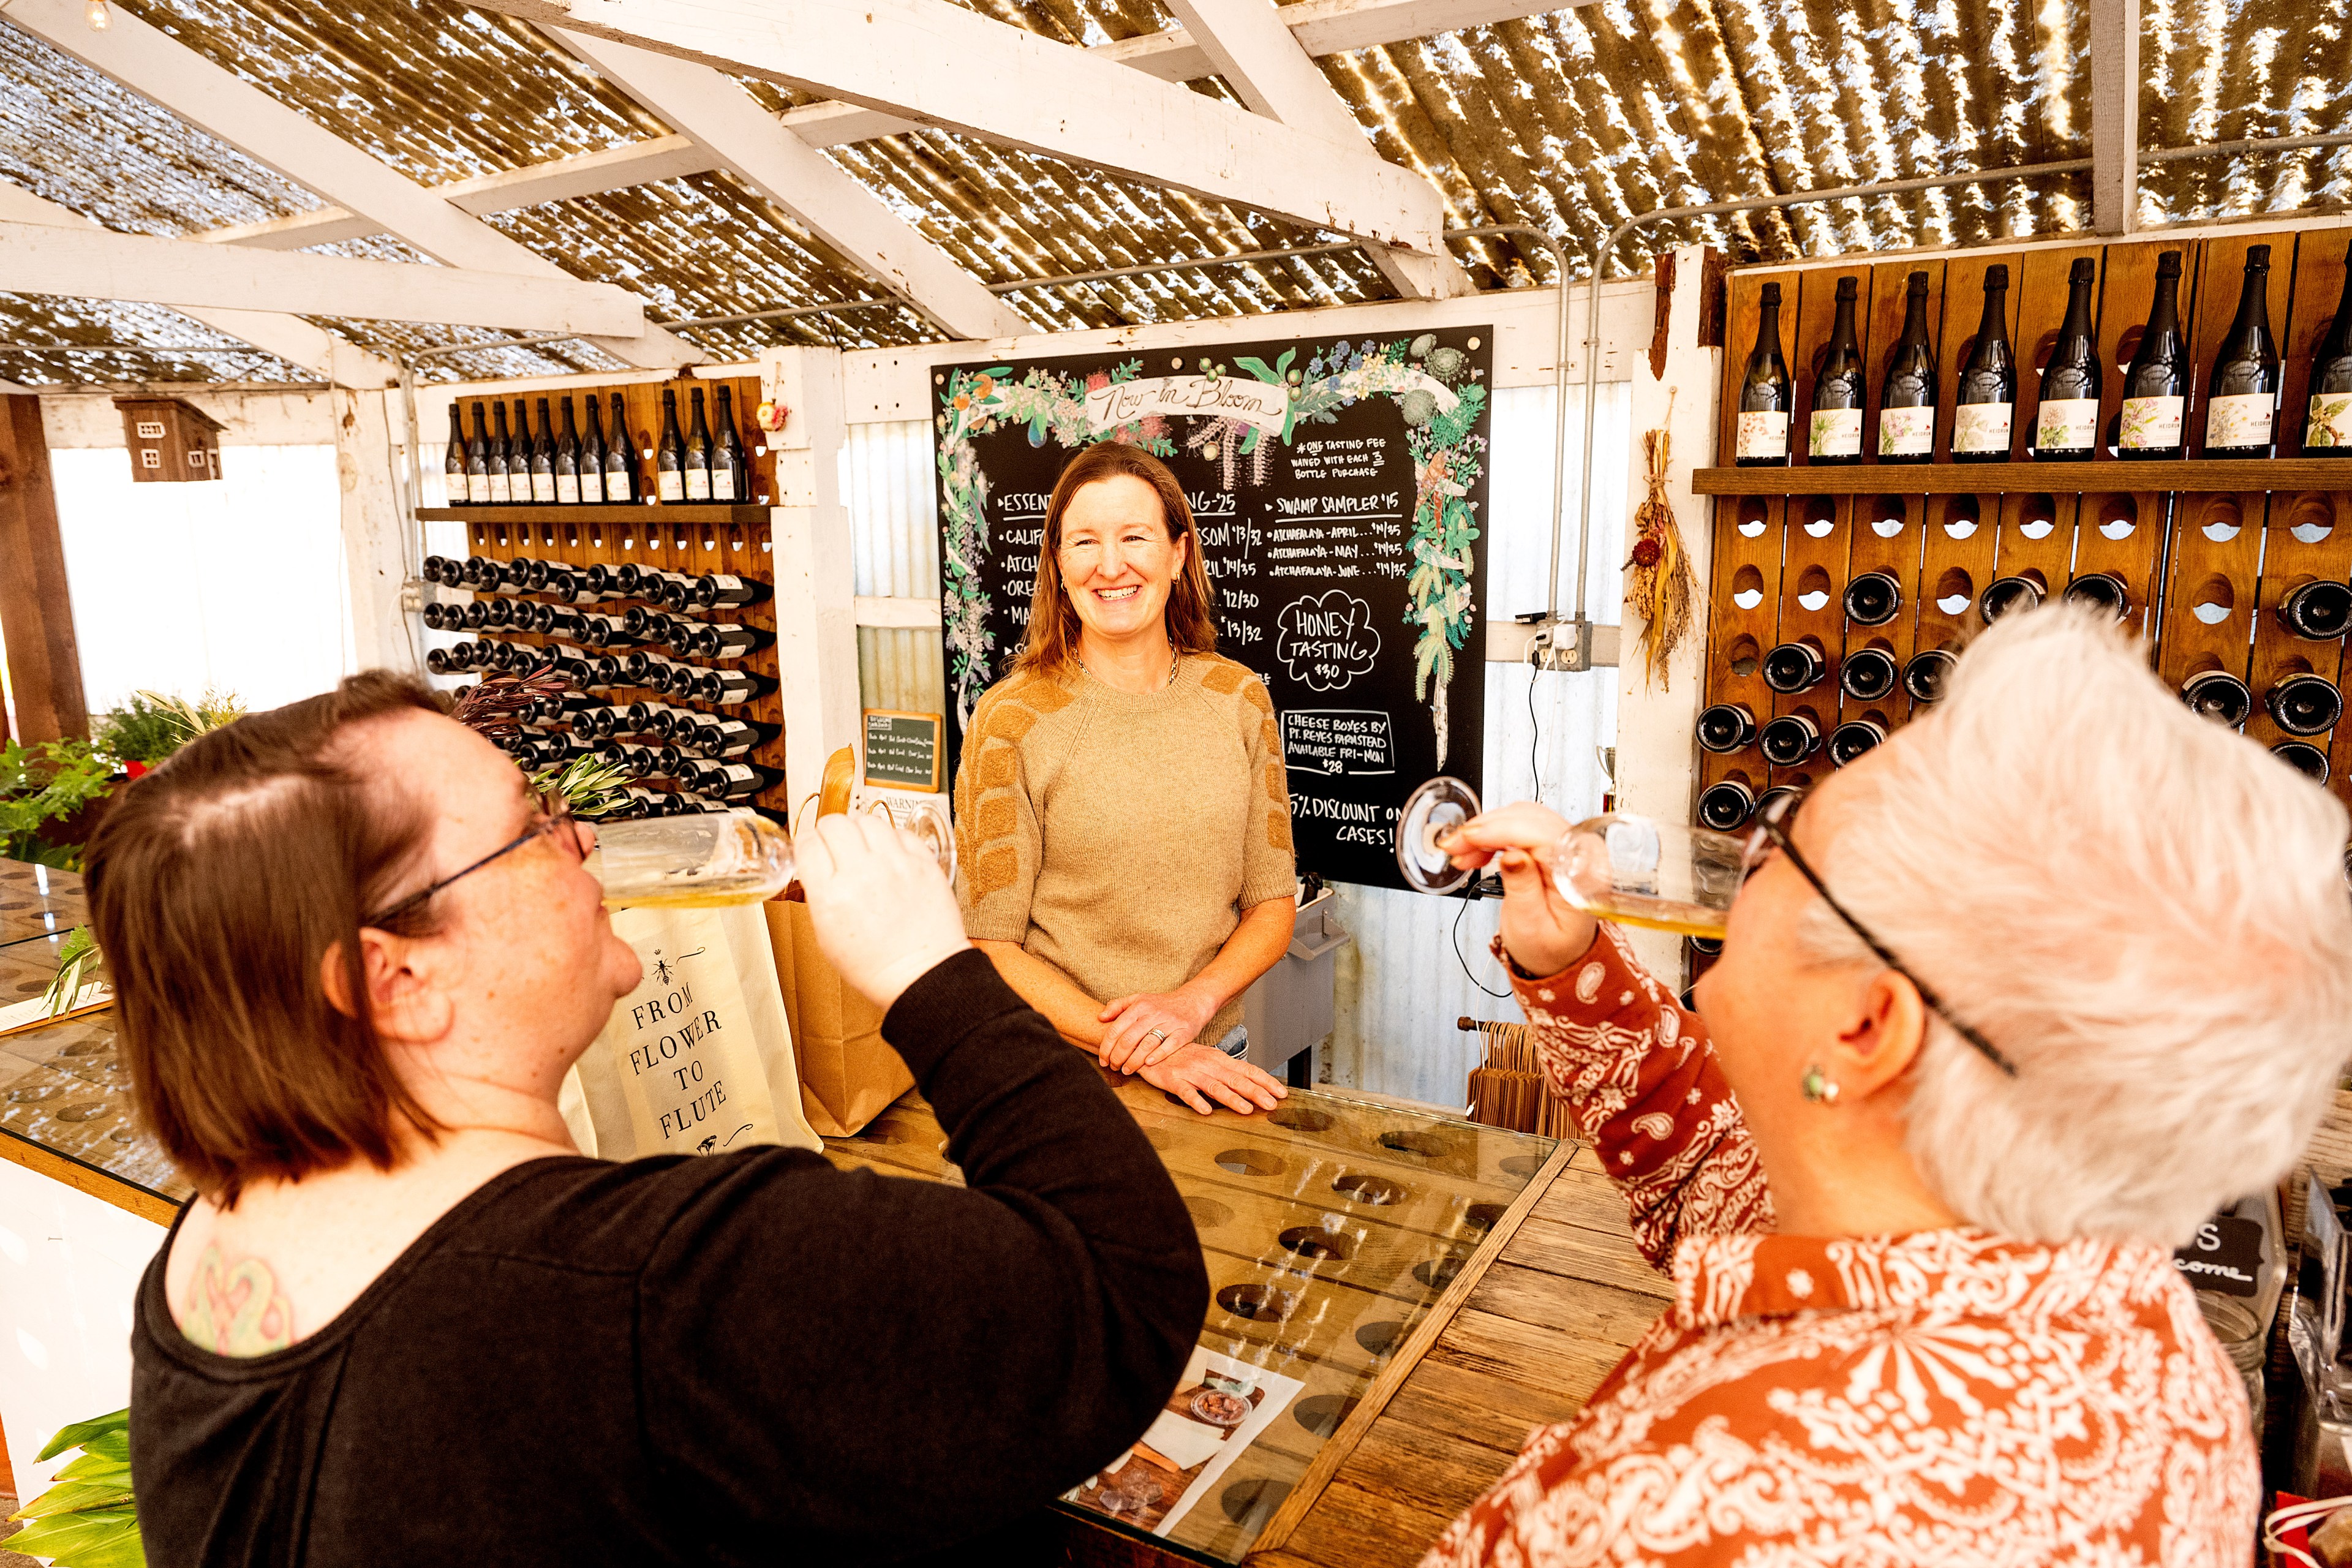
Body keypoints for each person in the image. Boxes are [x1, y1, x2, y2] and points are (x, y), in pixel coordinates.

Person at [89, 673, 1208, 1566]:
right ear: (394, 981)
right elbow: (1125, 1284)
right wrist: (931, 972)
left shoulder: (206, 1261)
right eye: (531, 825)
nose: (582, 842)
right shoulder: (659, 1290)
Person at [1418, 605, 2352, 1566]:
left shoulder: (1680, 1511)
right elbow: (1716, 1169)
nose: (1741, 855)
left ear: (1868, 1024)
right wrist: (1570, 962)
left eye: (1789, 837)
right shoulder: (2167, 1355)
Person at [955, 442, 1294, 1115]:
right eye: (1084, 541)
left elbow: (1272, 904)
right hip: (1057, 1075)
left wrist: (1191, 1007)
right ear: (1058, 562)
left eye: (1135, 536)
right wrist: (1150, 1048)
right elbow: (988, 943)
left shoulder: (1239, 699)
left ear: (1178, 553)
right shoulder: (1011, 719)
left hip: (1213, 1063)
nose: (1111, 566)